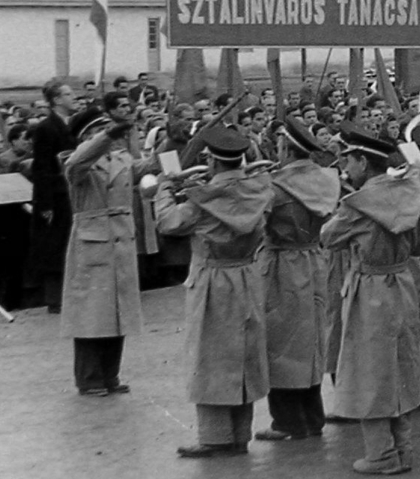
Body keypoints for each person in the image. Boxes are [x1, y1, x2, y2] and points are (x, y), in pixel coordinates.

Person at [154, 124, 273, 458]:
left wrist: (166, 187)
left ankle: (215, 436)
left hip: (212, 279)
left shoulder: (203, 201)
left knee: (210, 357)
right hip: (248, 275)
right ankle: (239, 435)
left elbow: (168, 222)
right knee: (244, 354)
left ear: (214, 162)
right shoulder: (258, 190)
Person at [321, 123, 420, 474]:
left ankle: (381, 454)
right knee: (399, 364)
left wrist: (342, 201)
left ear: (364, 163)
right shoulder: (410, 193)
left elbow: (328, 236)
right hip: (402, 280)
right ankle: (403, 447)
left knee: (370, 369)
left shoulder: (357, 204)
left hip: (369, 287)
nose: (344, 168)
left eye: (348, 161)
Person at [61, 97, 155, 396]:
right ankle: (89, 379)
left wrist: (176, 143)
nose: (109, 133)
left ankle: (110, 375)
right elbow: (78, 161)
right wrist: (109, 136)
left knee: (118, 313)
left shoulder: (121, 158)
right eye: (101, 130)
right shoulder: (77, 164)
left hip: (121, 238)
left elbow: (146, 169)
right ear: (88, 136)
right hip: (94, 239)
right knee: (91, 316)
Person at [255, 117, 341, 443]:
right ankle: (313, 416)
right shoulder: (325, 180)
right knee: (312, 339)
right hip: (315, 259)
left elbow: (253, 222)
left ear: (287, 149)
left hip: (280, 263)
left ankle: (287, 421)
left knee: (280, 341)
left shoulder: (276, 187)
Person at [28, 78, 79, 312]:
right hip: (55, 197)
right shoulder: (46, 128)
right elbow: (42, 168)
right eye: (68, 94)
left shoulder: (73, 124)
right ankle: (55, 299)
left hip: (72, 193)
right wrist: (46, 203)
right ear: (56, 99)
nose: (74, 97)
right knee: (55, 246)